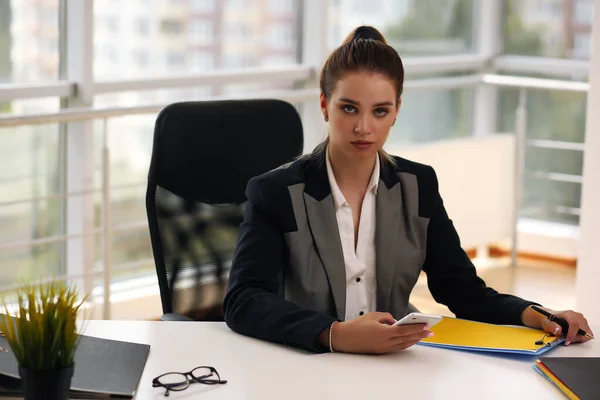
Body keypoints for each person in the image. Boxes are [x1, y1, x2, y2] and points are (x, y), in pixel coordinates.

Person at [222, 25, 593, 354]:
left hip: (394, 368)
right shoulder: (275, 192)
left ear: (397, 110)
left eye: (380, 111)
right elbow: (244, 300)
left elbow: (461, 289)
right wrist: (333, 334)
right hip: (307, 366)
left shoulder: (418, 186)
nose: (364, 127)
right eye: (349, 108)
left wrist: (536, 313)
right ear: (324, 105)